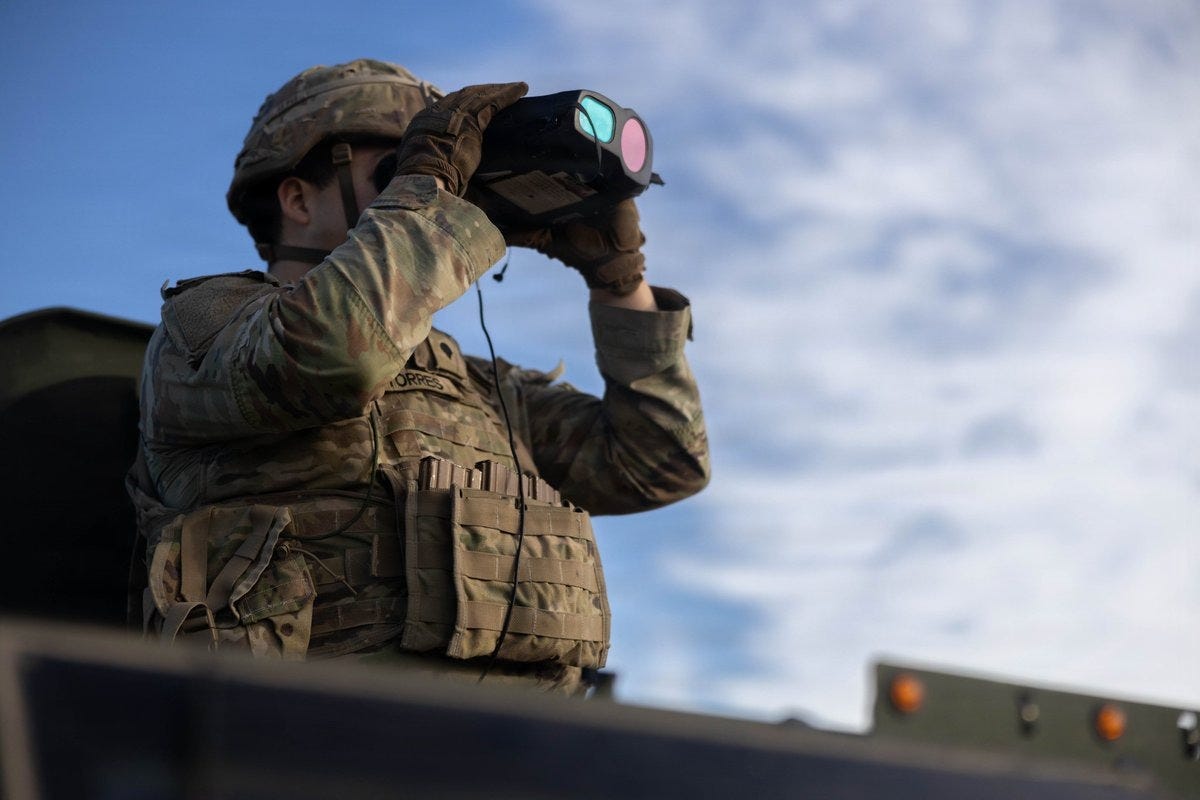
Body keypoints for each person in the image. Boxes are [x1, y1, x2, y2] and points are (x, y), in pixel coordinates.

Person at [127, 59, 709, 695]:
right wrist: (426, 182)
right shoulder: (206, 325)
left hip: (532, 750)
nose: (440, 188)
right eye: (393, 169)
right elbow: (335, 356)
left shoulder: (482, 388)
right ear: (297, 199)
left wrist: (620, 283)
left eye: (436, 170)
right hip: (312, 738)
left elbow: (660, 460)